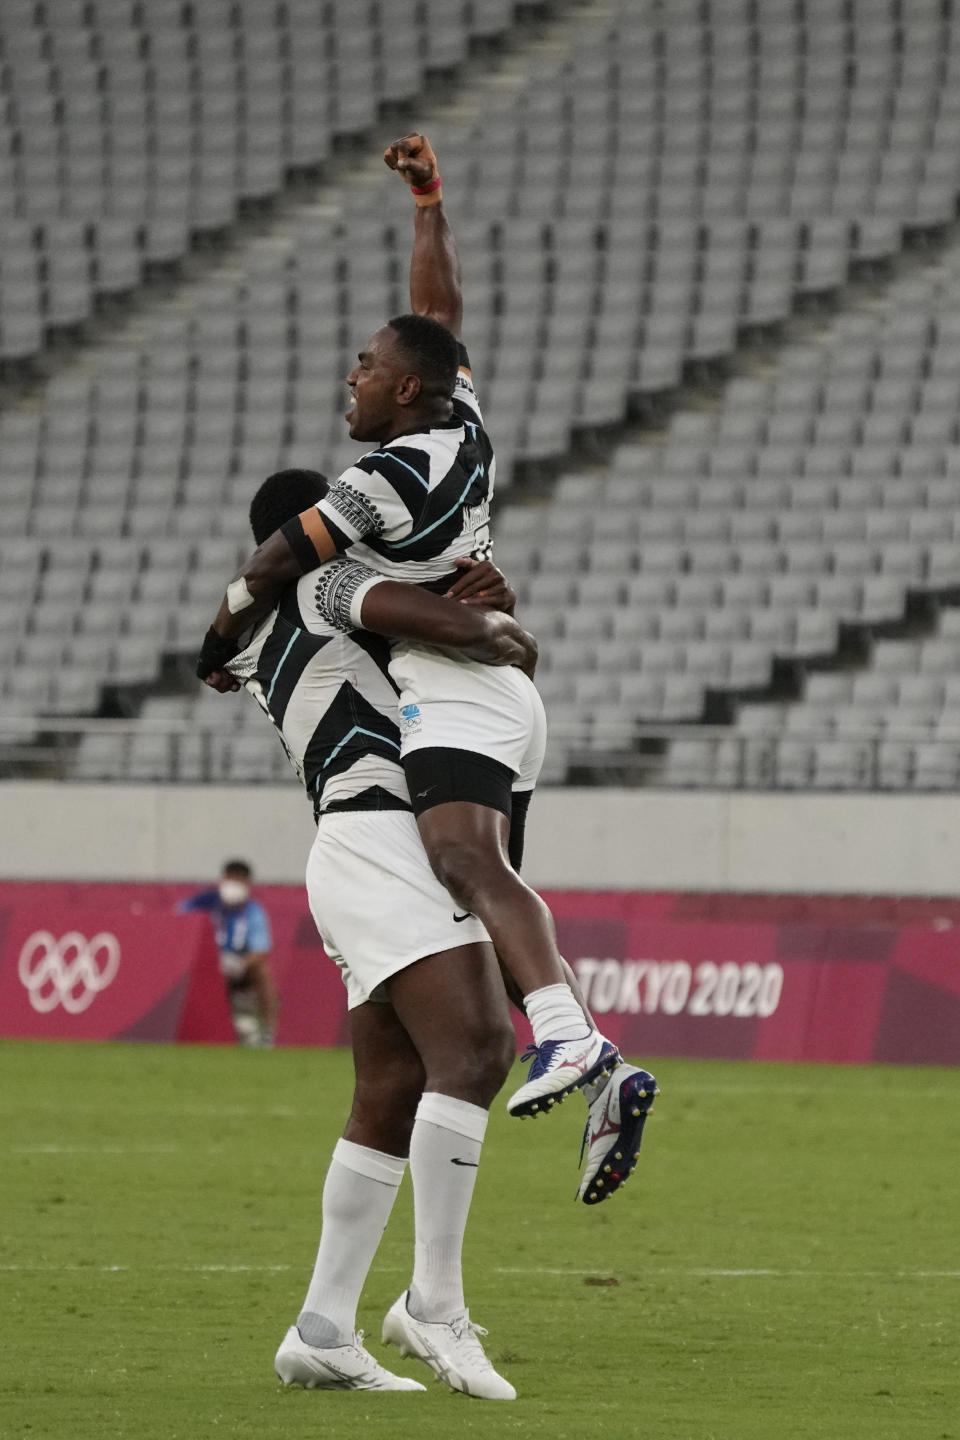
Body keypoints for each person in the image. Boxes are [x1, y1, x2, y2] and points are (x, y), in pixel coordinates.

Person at [196, 132, 632, 1119]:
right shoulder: (461, 427)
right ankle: (581, 1051)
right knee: (481, 881)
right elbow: (438, 312)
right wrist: (428, 200)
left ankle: (571, 1038)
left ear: (402, 390)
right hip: (495, 692)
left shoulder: (371, 495)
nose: (348, 378)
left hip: (451, 692)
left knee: (469, 872)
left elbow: (278, 565)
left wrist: (214, 638)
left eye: (363, 366)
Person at [226, 467, 541, 1397]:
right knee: (478, 1050)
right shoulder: (331, 596)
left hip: (354, 842)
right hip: (386, 836)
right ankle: (433, 1303)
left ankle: (323, 1328)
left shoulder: (268, 629)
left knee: (395, 1084)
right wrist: (487, 603)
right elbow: (487, 645)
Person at [178, 859, 278, 1048]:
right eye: (230, 879)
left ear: (248, 884)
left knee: (263, 973)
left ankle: (266, 1034)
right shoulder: (204, 902)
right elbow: (177, 924)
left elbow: (260, 950)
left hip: (237, 964)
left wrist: (241, 964)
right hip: (202, 963)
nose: (233, 885)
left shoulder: (253, 911)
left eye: (239, 880)